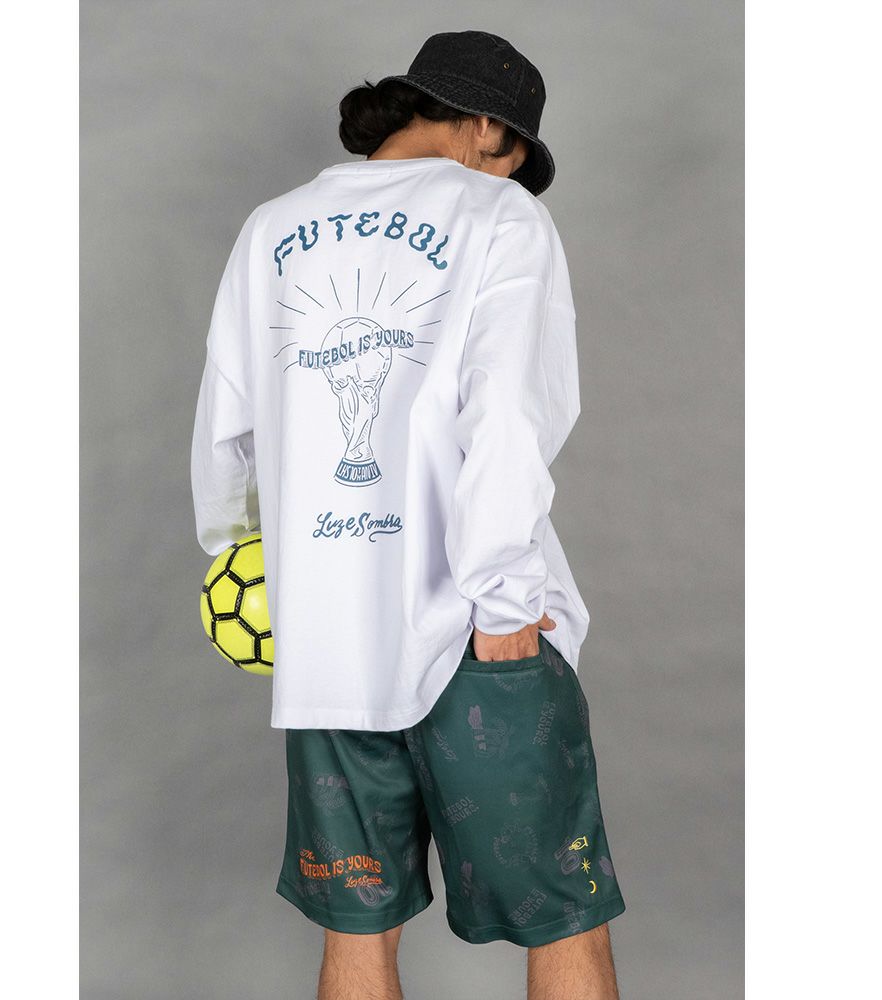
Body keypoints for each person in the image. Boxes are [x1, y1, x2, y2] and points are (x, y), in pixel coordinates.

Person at [191, 29, 626, 1000]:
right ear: (486, 127)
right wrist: (504, 598)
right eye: (513, 153)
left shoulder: (272, 227)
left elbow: (227, 428)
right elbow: (507, 410)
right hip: (476, 630)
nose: (508, 173)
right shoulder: (500, 216)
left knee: (358, 933)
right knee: (563, 919)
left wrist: (246, 571)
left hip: (326, 640)